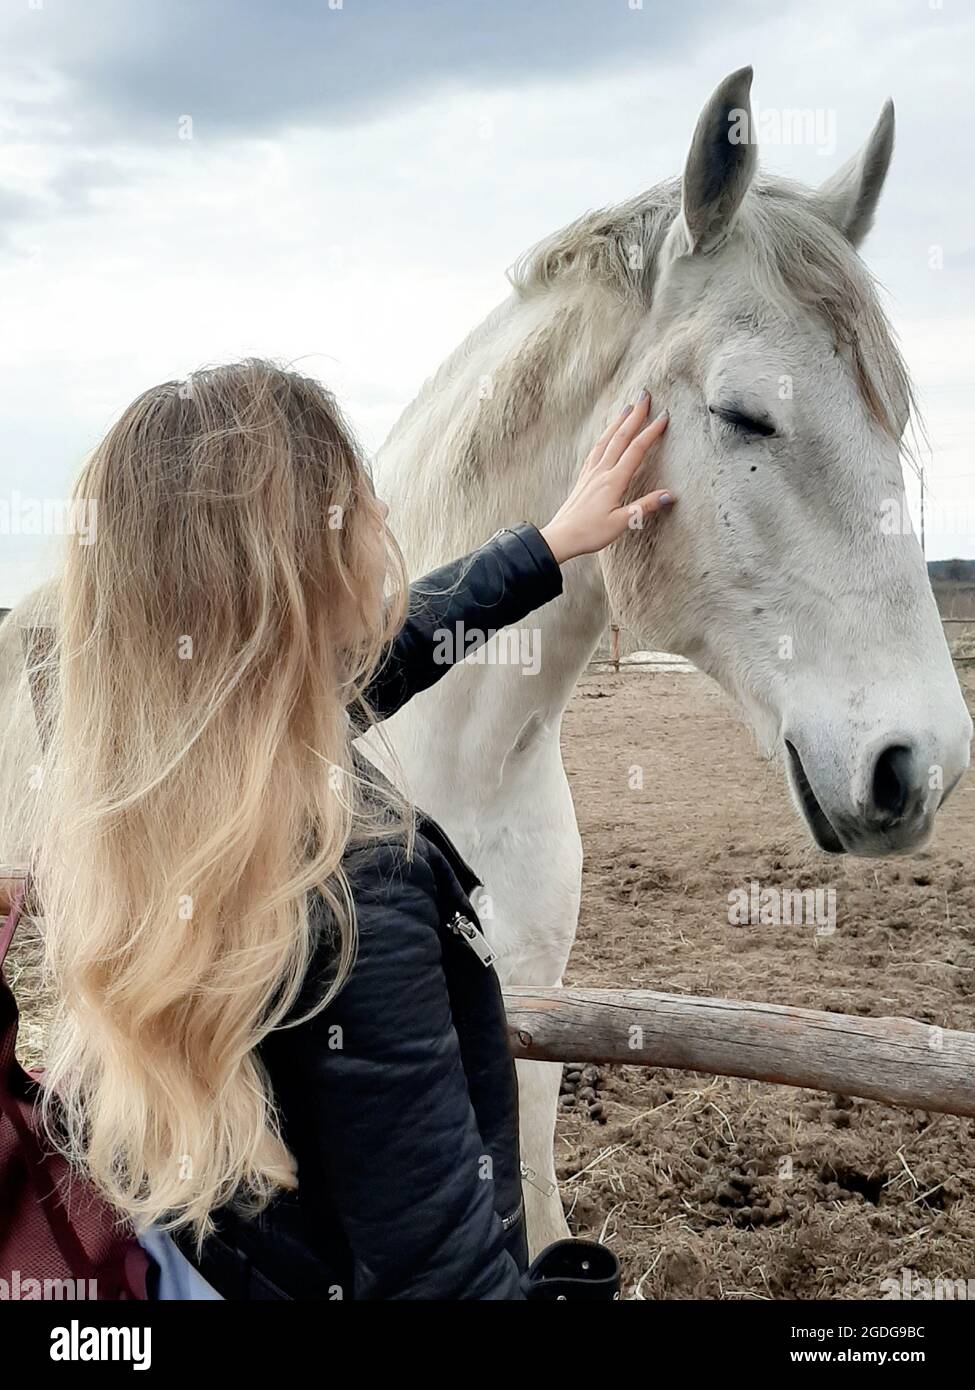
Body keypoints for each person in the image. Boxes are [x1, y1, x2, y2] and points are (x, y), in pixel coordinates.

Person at [34, 361, 672, 1299]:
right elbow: (442, 1281)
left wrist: (547, 544)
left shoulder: (157, 778)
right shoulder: (358, 887)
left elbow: (400, 649)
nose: (384, 524)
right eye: (360, 498)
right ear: (308, 567)